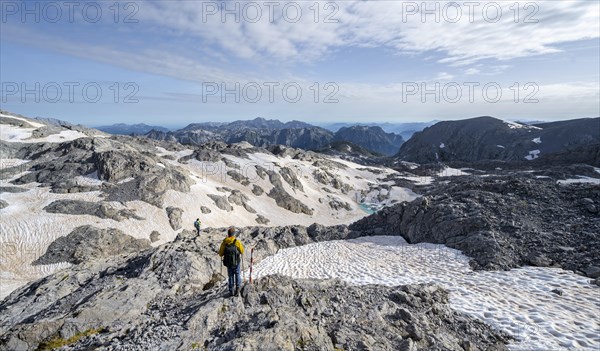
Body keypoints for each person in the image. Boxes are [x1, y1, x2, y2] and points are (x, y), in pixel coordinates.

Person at [219, 227, 244, 297]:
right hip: (236, 262)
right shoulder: (236, 241)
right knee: (237, 274)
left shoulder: (224, 242)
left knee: (230, 276)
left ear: (228, 234)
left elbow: (220, 253)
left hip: (228, 263)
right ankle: (238, 288)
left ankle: (231, 291)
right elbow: (242, 251)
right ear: (233, 234)